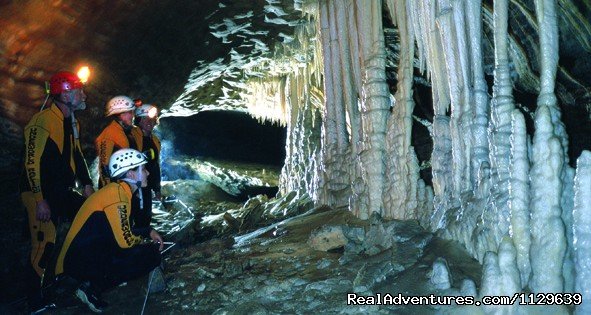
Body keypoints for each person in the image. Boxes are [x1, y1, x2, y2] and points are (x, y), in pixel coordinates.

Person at [19, 71, 95, 313]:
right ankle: (34, 301)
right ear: (65, 94)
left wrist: (86, 182)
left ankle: (72, 275)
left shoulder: (71, 121)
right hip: (37, 194)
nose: (83, 93)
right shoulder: (41, 121)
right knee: (43, 245)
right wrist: (40, 200)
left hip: (60, 191)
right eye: (78, 90)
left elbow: (77, 154)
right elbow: (31, 163)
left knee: (90, 217)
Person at [55, 148, 164, 313]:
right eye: (143, 168)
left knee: (139, 251)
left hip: (80, 258)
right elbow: (125, 240)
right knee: (150, 254)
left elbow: (120, 229)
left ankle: (92, 283)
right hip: (78, 263)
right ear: (131, 174)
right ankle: (91, 288)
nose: (148, 173)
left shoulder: (118, 191)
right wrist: (145, 243)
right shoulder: (118, 196)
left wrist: (148, 231)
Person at [95, 95, 142, 188]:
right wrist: (108, 189)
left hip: (128, 185)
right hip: (114, 187)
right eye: (130, 112)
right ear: (120, 114)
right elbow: (104, 166)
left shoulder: (130, 132)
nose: (133, 115)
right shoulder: (109, 134)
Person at [133, 103, 162, 229]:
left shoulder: (155, 140)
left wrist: (157, 189)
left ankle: (144, 237)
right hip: (135, 185)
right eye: (145, 118)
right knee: (136, 215)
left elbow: (155, 166)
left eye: (152, 118)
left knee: (146, 214)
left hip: (147, 184)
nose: (149, 121)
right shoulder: (132, 137)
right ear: (139, 120)